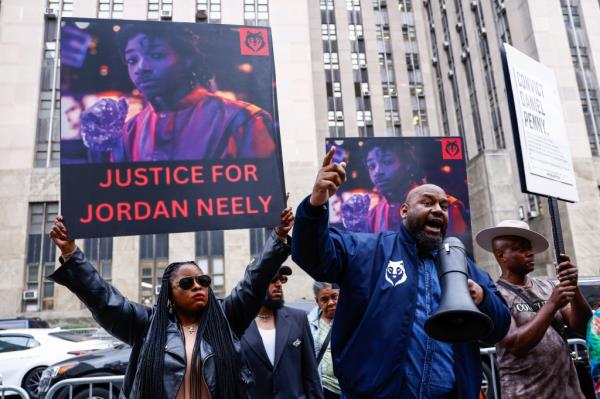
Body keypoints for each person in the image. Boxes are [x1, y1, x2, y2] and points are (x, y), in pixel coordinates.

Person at [291, 147, 511, 399]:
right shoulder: (369, 251)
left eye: (443, 205)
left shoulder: (465, 267)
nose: (438, 209)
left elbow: (500, 326)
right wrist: (316, 204)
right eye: (427, 203)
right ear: (404, 212)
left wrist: (482, 298)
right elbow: (312, 255)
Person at [47, 206, 294, 399]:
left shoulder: (227, 318)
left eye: (203, 280)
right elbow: (104, 299)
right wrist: (70, 252)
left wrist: (278, 235)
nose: (197, 286)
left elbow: (254, 281)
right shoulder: (146, 325)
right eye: (186, 283)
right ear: (169, 293)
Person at [80, 23, 275, 162]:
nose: (141, 68)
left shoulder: (244, 121)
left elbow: (260, 203)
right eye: (132, 60)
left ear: (187, 60)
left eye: (157, 54)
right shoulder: (128, 132)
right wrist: (98, 150)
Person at [476, 219, 592, 399]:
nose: (530, 253)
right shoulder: (495, 296)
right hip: (527, 393)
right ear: (501, 255)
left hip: (569, 392)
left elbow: (581, 326)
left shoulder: (546, 287)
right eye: (521, 249)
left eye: (530, 248)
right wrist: (551, 305)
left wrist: (573, 287)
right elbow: (515, 344)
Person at [340, 142, 468, 240]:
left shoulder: (443, 207)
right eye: (371, 166)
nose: (378, 172)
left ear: (407, 164)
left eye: (387, 161)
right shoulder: (372, 216)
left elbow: (457, 254)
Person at [240, 266, 323, 399]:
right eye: (273, 279)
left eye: (282, 279)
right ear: (253, 283)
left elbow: (311, 375)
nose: (279, 284)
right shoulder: (238, 324)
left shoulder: (298, 319)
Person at [308, 282, 342, 399]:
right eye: (324, 299)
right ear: (317, 301)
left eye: (334, 297)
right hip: (323, 389)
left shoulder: (352, 320)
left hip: (349, 388)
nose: (331, 302)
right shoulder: (309, 324)